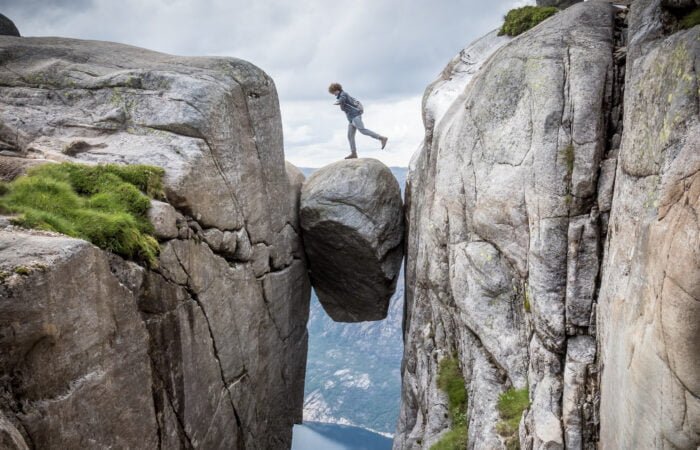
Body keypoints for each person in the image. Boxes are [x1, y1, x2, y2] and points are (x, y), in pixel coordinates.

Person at [328, 83, 388, 159]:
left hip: (355, 116)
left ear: (337, 89)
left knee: (363, 130)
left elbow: (342, 99)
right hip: (351, 119)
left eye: (333, 92)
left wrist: (338, 102)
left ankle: (382, 138)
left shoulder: (343, 94)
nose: (333, 94)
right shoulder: (342, 95)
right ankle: (354, 153)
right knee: (350, 136)